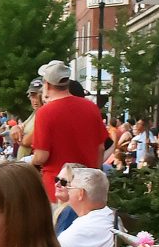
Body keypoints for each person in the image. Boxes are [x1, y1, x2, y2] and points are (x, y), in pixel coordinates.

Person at [31, 60, 109, 201]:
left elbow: (42, 156)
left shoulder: (44, 113)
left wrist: (29, 162)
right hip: (85, 188)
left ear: (47, 85)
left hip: (56, 187)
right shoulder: (91, 107)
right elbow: (101, 148)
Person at [58, 167, 116, 247]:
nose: (66, 189)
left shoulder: (84, 229)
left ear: (80, 194)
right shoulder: (106, 217)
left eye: (69, 187)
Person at [12, 78, 44, 160]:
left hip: (33, 166)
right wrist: (15, 128)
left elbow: (28, 141)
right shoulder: (34, 113)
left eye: (38, 96)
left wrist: (19, 137)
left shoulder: (44, 114)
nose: (35, 100)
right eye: (33, 96)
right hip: (24, 164)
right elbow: (16, 130)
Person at [52, 162, 81, 235]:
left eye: (63, 182)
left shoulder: (69, 211)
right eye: (57, 179)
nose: (57, 184)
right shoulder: (62, 210)